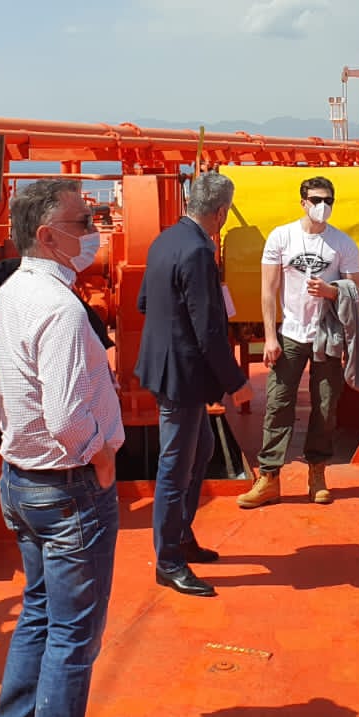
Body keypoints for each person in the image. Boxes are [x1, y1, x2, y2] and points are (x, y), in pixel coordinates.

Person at [0, 179, 124, 717]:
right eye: (82, 221)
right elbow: (66, 419)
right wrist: (103, 455)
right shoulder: (61, 310)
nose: (92, 231)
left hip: (20, 482)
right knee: (73, 639)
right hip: (70, 490)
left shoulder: (8, 292)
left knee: (38, 612)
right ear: (46, 235)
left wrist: (20, 433)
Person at [134, 172, 252, 599]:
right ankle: (168, 561)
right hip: (181, 375)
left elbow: (144, 302)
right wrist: (236, 382)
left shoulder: (164, 240)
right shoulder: (200, 251)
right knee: (175, 467)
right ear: (220, 212)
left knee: (200, 449)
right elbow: (208, 331)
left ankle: (181, 536)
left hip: (164, 366)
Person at [238, 176, 359, 508]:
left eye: (329, 200)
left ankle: (317, 473)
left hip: (327, 336)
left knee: (325, 405)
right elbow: (268, 289)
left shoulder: (343, 244)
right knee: (278, 402)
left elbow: (356, 291)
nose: (323, 206)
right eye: (317, 200)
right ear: (303, 202)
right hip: (291, 333)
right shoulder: (282, 237)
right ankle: (269, 477)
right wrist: (270, 336)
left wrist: (331, 291)